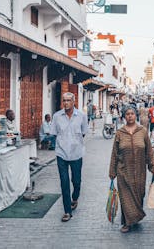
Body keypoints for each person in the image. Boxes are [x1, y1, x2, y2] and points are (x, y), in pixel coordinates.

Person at [109, 106, 154, 233]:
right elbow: (114, 153)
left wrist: (152, 165)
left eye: (132, 114)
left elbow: (149, 150)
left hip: (140, 171)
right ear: (124, 116)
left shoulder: (142, 131)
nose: (130, 116)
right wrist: (112, 171)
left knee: (139, 194)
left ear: (136, 115)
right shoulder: (120, 133)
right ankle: (126, 222)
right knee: (126, 197)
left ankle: (135, 218)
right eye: (127, 114)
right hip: (123, 170)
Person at [51, 92, 88, 222]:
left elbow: (83, 133)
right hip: (61, 153)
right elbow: (54, 134)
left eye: (68, 100)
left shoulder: (82, 116)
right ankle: (67, 211)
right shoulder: (56, 117)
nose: (66, 103)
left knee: (76, 181)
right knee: (64, 182)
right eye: (64, 100)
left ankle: (75, 197)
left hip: (76, 153)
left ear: (73, 102)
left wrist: (74, 143)